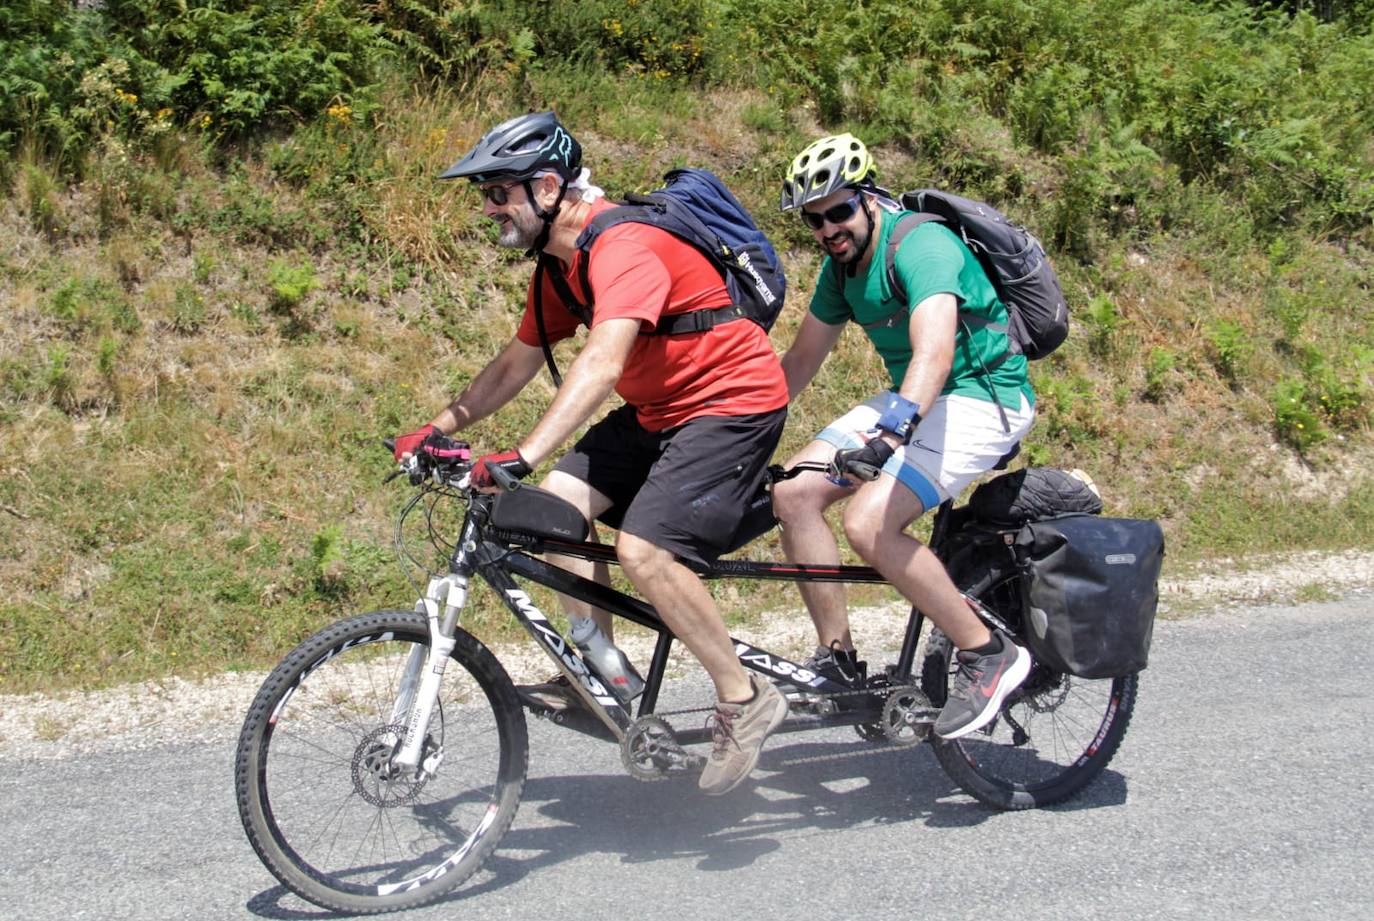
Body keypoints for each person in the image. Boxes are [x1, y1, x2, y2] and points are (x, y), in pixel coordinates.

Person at [393, 111, 790, 794]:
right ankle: (602, 671)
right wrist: (437, 427)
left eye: (498, 192)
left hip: (732, 404)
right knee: (554, 512)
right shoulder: (559, 267)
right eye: (484, 195)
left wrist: (523, 453)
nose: (488, 209)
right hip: (660, 410)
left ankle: (746, 696)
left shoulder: (623, 244)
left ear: (548, 187)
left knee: (645, 551)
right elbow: (513, 365)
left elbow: (604, 363)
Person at [772, 133, 1037, 740]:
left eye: (838, 211)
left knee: (868, 523)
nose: (827, 229)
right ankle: (837, 661)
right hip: (918, 399)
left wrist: (892, 435)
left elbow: (935, 351)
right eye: (813, 220)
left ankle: (986, 651)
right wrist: (738, 431)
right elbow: (801, 360)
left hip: (983, 395)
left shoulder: (922, 245)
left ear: (868, 198)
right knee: (793, 493)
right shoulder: (839, 268)